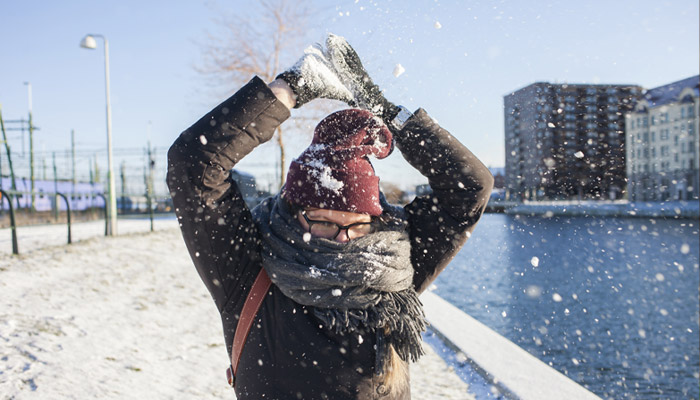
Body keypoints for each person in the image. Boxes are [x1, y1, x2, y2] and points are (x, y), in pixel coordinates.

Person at [167, 34, 493, 400]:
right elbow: (192, 167)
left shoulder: (389, 263)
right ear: (294, 212)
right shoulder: (249, 267)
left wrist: (382, 109)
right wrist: (290, 89)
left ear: (377, 220)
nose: (343, 240)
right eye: (323, 221)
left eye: (357, 224)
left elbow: (471, 188)